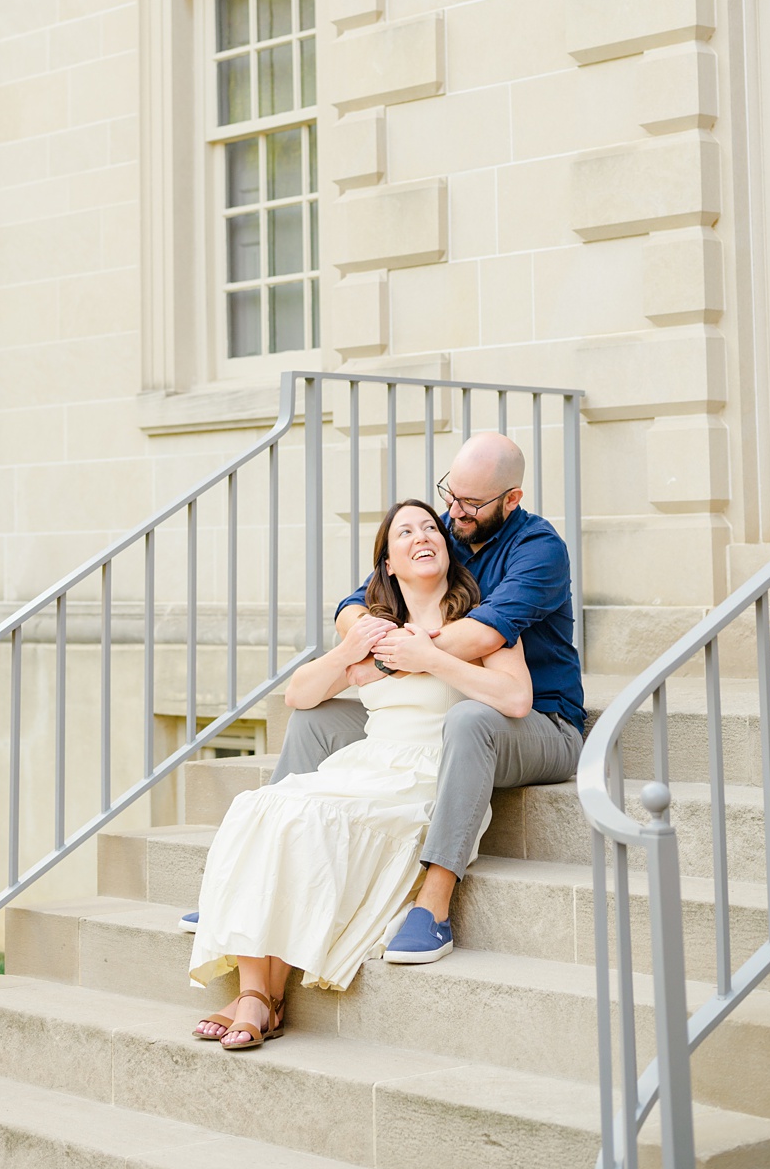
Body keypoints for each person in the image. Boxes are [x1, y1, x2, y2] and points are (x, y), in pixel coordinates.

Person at [186, 499, 530, 1048]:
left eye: (429, 528)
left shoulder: (479, 623)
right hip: (368, 761)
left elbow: (516, 698)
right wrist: (349, 648)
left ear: (445, 547)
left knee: (307, 815)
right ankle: (257, 990)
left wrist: (433, 658)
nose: (423, 535)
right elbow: (300, 695)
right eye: (405, 532)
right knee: (262, 805)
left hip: (425, 772)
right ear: (387, 564)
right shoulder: (374, 628)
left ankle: (261, 1000)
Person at [265, 430, 584, 965]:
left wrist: (386, 659)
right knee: (315, 720)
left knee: (467, 721)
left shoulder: (539, 550)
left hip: (542, 723)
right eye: (450, 495)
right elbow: (355, 603)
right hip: (430, 717)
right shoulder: (443, 534)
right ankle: (263, 868)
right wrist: (363, 641)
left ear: (512, 500)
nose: (454, 512)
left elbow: (483, 635)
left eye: (471, 504)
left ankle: (433, 906)